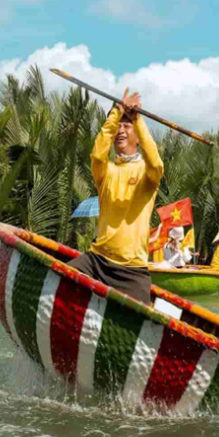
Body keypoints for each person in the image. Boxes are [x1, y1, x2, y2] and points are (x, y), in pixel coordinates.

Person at [66, 88, 163, 305]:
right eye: (118, 125)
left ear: (137, 135)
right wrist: (117, 112)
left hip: (132, 270)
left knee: (139, 324)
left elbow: (155, 161)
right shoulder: (106, 170)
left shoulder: (149, 173)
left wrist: (137, 118)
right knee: (59, 279)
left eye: (126, 126)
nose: (120, 129)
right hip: (96, 260)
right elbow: (98, 153)